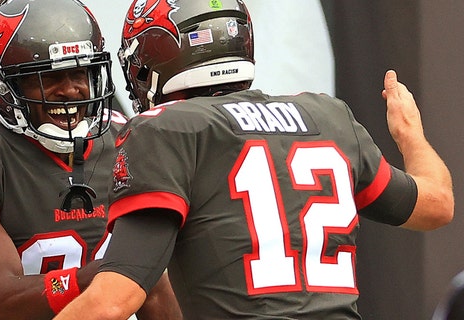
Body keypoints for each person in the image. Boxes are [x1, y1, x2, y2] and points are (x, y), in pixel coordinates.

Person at [54, 0, 455, 319]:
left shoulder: (166, 128)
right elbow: (436, 206)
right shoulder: (329, 116)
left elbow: (112, 301)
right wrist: (409, 135)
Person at [0, 0, 181, 319]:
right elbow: (2, 299)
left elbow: (157, 290)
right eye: (47, 77)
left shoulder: (128, 139)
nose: (71, 90)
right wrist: (113, 277)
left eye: (81, 72)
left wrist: (130, 275)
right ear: (3, 85)